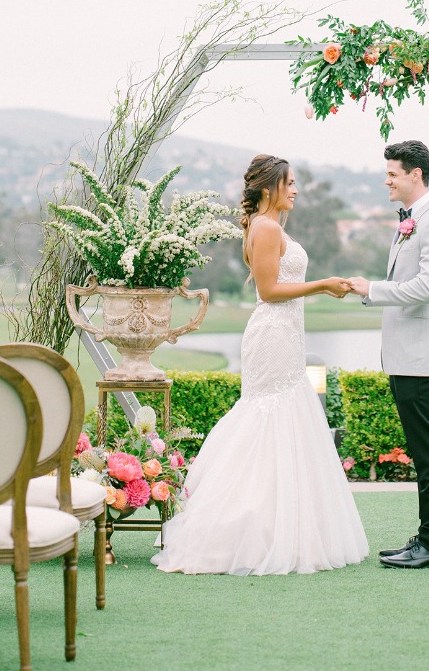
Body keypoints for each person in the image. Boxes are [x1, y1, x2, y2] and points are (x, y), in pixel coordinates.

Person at [152, 153, 368, 575]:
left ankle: (273, 526)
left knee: (280, 414)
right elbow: (269, 290)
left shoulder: (266, 226)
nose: (296, 190)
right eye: (289, 183)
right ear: (269, 188)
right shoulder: (266, 227)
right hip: (273, 333)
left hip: (284, 332)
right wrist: (323, 285)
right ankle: (243, 529)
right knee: (267, 415)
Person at [348, 140, 429, 569]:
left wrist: (371, 289)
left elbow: (428, 288)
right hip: (404, 355)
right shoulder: (411, 221)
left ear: (416, 175)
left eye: (393, 173)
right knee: (423, 452)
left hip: (421, 355)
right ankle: (427, 537)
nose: (387, 180)